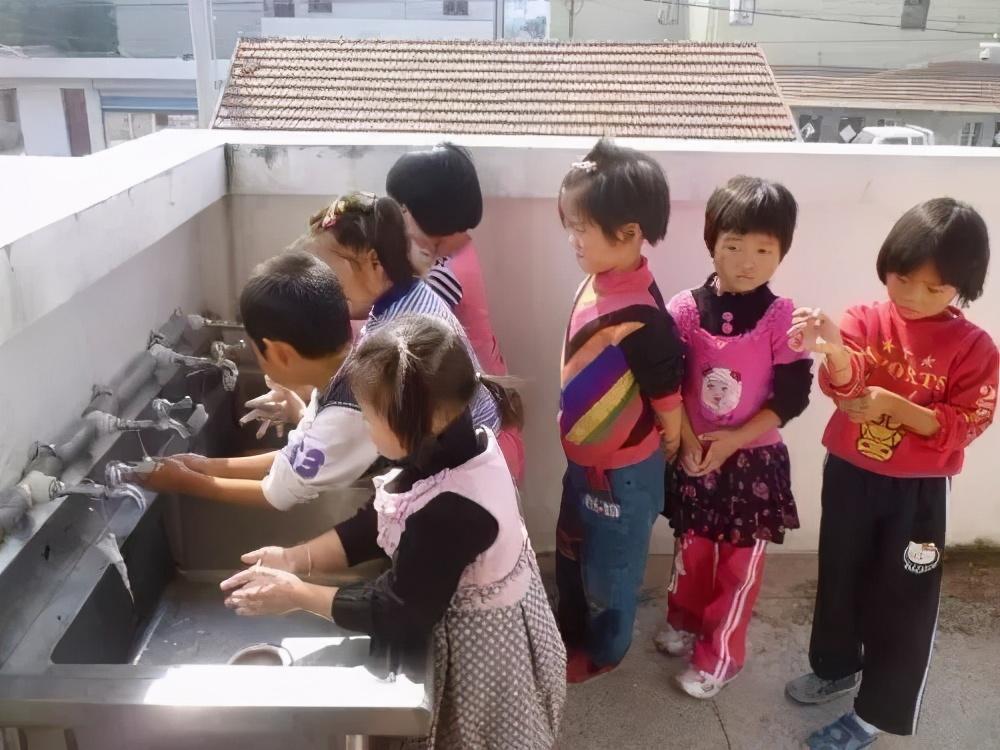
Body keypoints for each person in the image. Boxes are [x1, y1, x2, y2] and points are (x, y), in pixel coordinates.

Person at [219, 314, 566, 749]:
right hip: (482, 612)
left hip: (482, 656)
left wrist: (297, 595)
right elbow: (382, 519)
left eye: (369, 417)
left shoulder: (451, 511)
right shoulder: (450, 445)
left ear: (421, 420)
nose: (364, 426)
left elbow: (398, 612)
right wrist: (295, 558)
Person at [786, 198, 998, 749]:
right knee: (840, 574)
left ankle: (875, 714)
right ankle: (835, 667)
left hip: (918, 493)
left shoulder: (975, 348)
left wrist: (893, 406)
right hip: (849, 473)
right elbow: (844, 386)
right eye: (903, 279)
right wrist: (834, 351)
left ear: (962, 286)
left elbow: (966, 423)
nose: (914, 296)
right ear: (887, 265)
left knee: (904, 599)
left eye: (935, 287)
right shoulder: (863, 318)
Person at [656, 176, 813, 698]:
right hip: (695, 455)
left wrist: (733, 440)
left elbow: (791, 397)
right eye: (734, 246)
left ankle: (719, 657)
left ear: (781, 251)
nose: (747, 261)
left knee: (738, 568)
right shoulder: (683, 309)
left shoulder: (782, 317)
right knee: (692, 550)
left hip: (753, 464)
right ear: (712, 243)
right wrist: (687, 440)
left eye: (764, 250)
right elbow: (668, 384)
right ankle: (683, 621)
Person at [554, 138, 685, 683]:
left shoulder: (640, 313)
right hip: (586, 465)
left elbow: (666, 389)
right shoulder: (600, 280)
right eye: (569, 224)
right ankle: (568, 627)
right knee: (573, 548)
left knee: (611, 570)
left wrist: (673, 438)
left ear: (628, 233)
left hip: (621, 475)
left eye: (581, 227)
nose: (572, 238)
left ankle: (605, 650)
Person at [295, 191, 527, 481]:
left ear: (374, 264)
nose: (324, 286)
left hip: (471, 471)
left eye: (330, 273)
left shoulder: (396, 337)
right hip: (485, 450)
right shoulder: (412, 292)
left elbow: (352, 435)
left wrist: (301, 409)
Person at [140, 251, 377, 509]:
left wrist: (185, 482)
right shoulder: (351, 368)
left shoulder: (343, 417)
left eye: (255, 350)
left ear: (280, 354)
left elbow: (275, 494)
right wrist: (205, 466)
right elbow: (295, 456)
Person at [386, 143, 525, 482]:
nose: (396, 219)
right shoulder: (458, 251)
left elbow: (400, 330)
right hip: (488, 410)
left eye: (401, 209)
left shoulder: (445, 276)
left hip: (481, 433)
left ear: (428, 214)